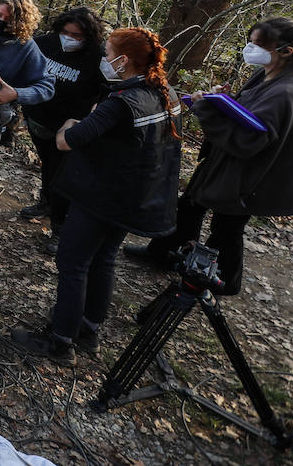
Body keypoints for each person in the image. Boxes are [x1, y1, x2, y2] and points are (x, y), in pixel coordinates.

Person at [11, 27, 181, 362]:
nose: (103, 59)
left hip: (101, 196)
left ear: (123, 61)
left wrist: (70, 122)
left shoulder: (121, 103)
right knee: (104, 259)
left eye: (107, 55)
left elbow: (66, 141)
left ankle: (60, 341)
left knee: (73, 262)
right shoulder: (165, 92)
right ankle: (89, 329)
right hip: (133, 196)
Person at [128, 15, 293, 295]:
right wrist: (224, 100)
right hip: (227, 162)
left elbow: (250, 140)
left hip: (252, 176)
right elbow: (249, 114)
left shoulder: (289, 92)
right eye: (250, 41)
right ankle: (166, 253)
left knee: (227, 225)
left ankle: (225, 280)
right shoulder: (268, 73)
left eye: (258, 44)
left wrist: (206, 109)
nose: (250, 48)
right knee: (190, 205)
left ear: (286, 51)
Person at [18, 7, 107, 249]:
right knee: (48, 166)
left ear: (89, 36)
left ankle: (60, 227)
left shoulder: (97, 58)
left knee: (62, 177)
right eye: (67, 32)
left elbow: (102, 93)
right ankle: (46, 202)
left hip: (68, 129)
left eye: (78, 36)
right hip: (38, 119)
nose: (70, 39)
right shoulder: (45, 43)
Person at [0, 0, 54, 206]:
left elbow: (46, 86)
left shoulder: (25, 47)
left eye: (8, 20)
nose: (1, 22)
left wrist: (16, 94)